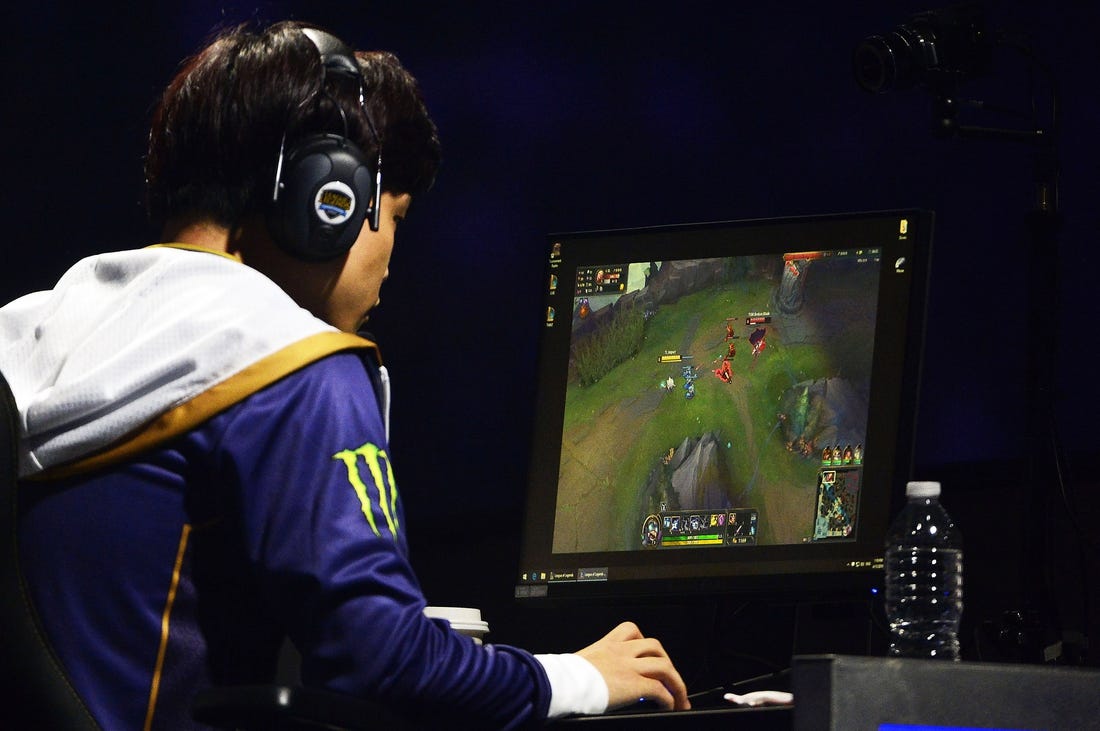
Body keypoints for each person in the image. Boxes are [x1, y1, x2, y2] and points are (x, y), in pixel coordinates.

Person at [0, 20, 688, 730]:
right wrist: (577, 677)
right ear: (327, 198)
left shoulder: (30, 333)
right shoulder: (293, 367)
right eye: (392, 216)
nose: (391, 259)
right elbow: (384, 660)